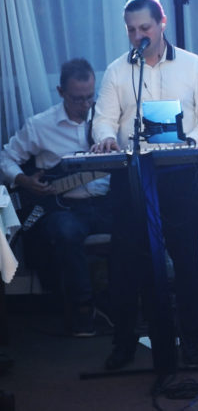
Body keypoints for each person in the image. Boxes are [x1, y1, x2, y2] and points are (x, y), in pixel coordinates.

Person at [92, 0, 198, 369]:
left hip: (179, 174)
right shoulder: (118, 71)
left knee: (185, 259)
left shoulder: (191, 64)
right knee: (125, 264)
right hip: (132, 176)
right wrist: (106, 137)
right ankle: (124, 343)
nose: (138, 35)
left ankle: (191, 340)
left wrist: (192, 142)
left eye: (145, 27)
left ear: (162, 23)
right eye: (131, 30)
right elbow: (103, 119)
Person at [0, 58, 112, 337]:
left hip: (105, 202)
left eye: (90, 97)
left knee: (140, 222)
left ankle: (116, 302)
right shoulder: (40, 125)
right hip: (62, 209)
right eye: (77, 99)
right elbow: (5, 158)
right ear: (61, 92)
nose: (86, 105)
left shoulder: (107, 119)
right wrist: (24, 180)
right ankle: (83, 308)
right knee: (66, 231)